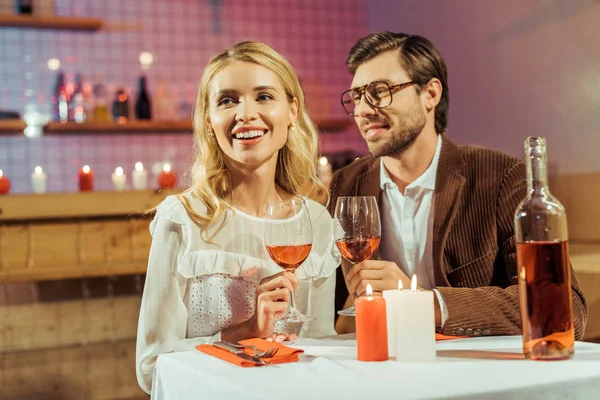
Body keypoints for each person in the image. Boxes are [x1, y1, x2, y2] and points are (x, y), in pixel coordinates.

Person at [329, 32, 587, 338]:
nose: (363, 110)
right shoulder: (345, 185)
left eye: (379, 91)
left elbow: (562, 305)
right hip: (380, 364)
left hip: (473, 369)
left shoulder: (501, 176)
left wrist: (426, 304)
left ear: (431, 94)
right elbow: (327, 304)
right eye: (357, 96)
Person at [136, 41, 340, 394]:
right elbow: (152, 365)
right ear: (209, 119)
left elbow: (321, 349)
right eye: (227, 100)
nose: (245, 113)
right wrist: (243, 335)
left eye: (263, 97)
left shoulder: (317, 221)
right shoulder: (183, 219)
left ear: (292, 111)